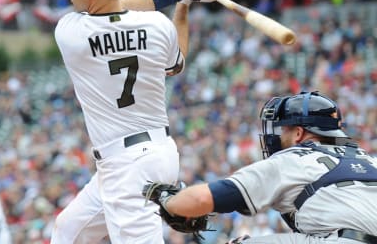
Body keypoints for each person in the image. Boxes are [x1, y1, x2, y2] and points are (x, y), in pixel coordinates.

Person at [50, 0, 219, 244]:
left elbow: (123, 9)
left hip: (126, 165)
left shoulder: (71, 31)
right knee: (68, 230)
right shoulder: (156, 25)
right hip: (158, 153)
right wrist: (183, 3)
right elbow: (176, 62)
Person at [145, 91, 377, 243]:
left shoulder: (296, 158)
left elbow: (199, 200)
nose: (276, 136)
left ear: (299, 133)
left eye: (282, 129)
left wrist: (167, 199)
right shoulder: (369, 160)